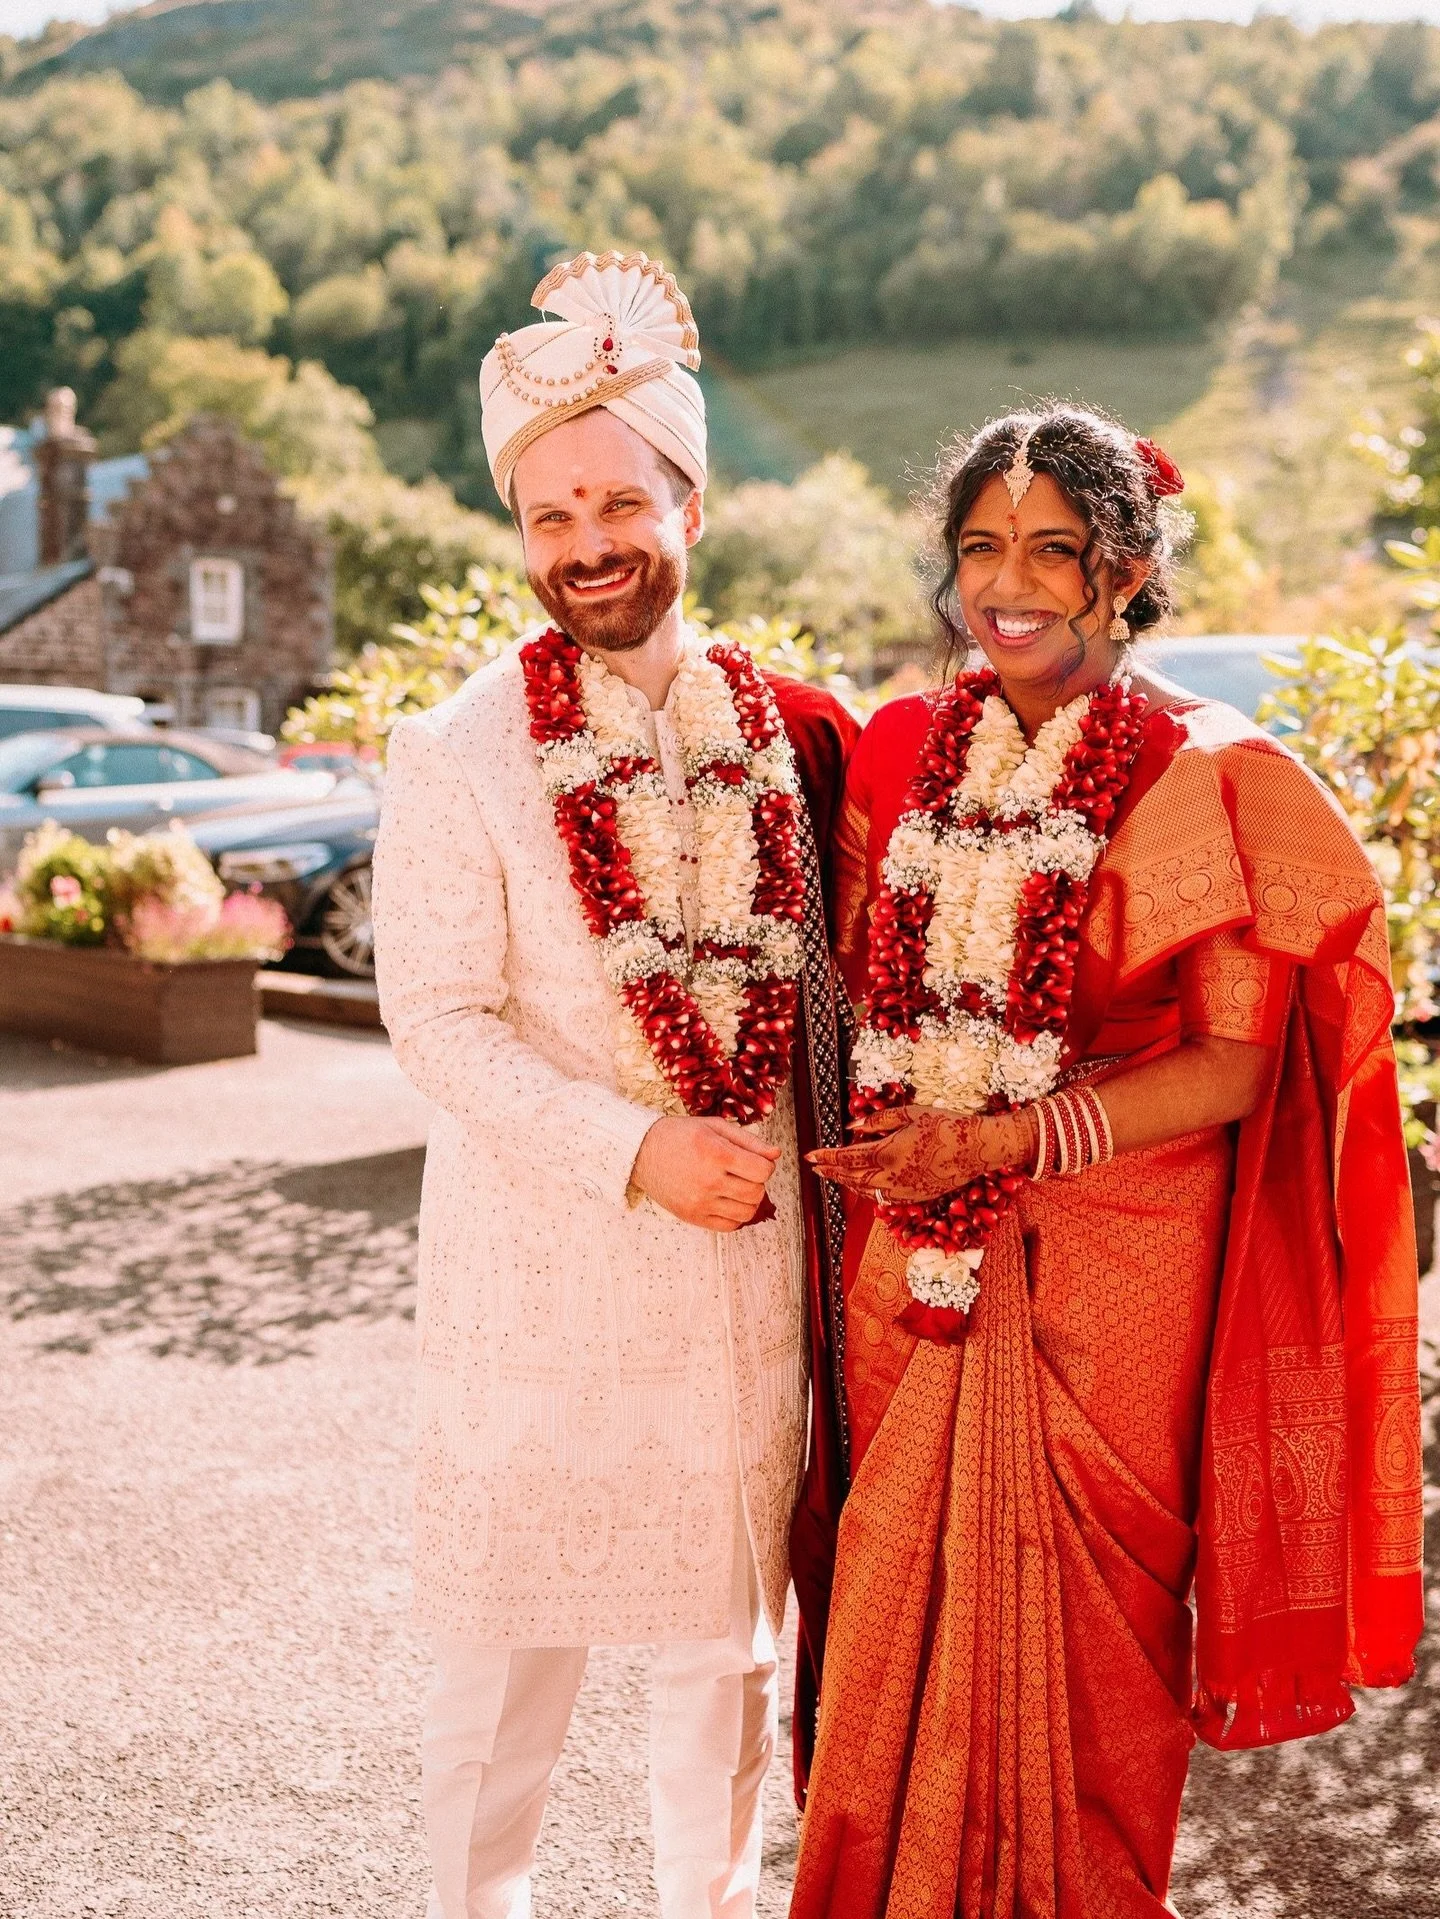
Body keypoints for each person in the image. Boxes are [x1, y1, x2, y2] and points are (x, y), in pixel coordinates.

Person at [789, 404, 1424, 1918]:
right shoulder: (904, 749)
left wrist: (1009, 1135)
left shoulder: (1211, 773)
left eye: (1051, 550)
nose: (1006, 582)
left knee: (1087, 1642)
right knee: (898, 1586)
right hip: (925, 1260)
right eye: (979, 547)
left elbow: (1235, 1064)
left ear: (1126, 570)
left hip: (1114, 1262)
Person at [370, 250, 856, 1919]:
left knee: (721, 1673)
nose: (585, 545)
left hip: (738, 1301)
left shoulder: (783, 735)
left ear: (691, 502)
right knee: (499, 1696)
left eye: (618, 500)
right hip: (537, 1291)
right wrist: (638, 1149)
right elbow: (433, 1019)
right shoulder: (460, 748)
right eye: (548, 512)